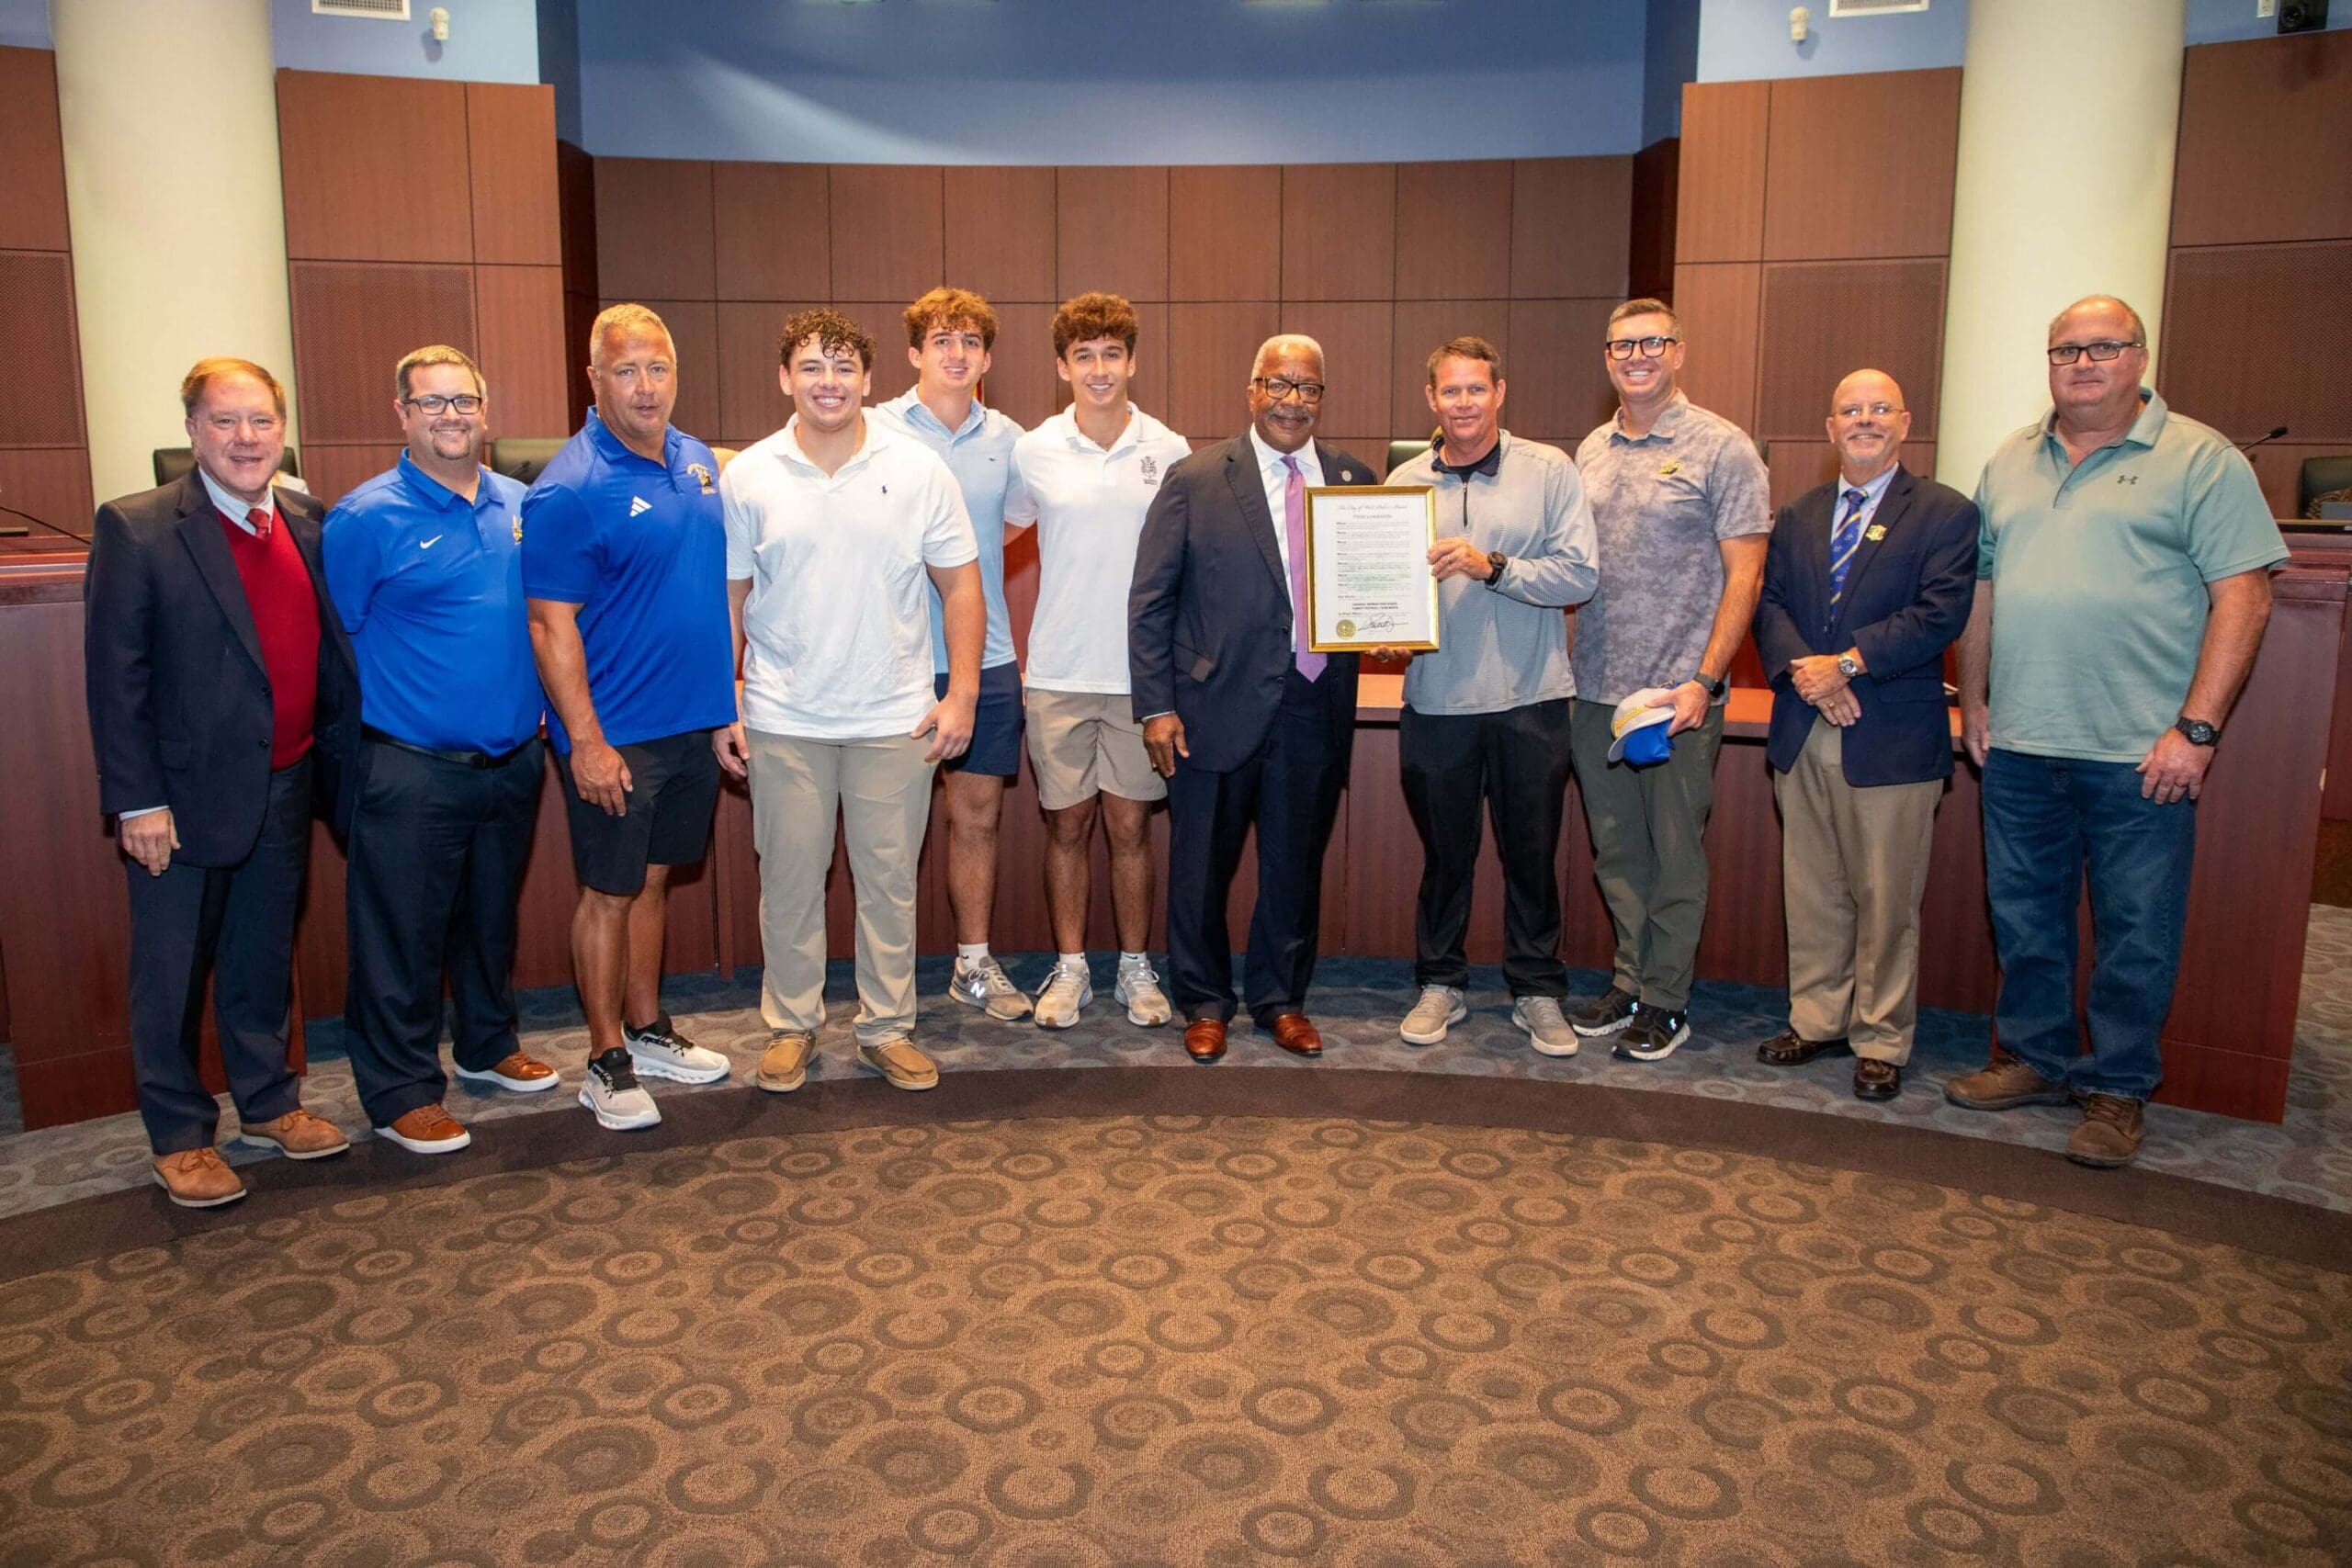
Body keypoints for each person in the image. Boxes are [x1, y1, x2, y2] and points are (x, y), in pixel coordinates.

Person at [1948, 296, 2284, 1167]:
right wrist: (1974, 699)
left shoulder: (2200, 458)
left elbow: (2245, 596)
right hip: (2021, 742)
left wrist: (2196, 730)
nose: (2083, 363)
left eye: (2104, 347)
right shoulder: (2011, 459)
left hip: (2142, 751)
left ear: (2140, 357)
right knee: (2025, 914)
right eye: (2066, 350)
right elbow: (1983, 589)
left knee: (2136, 927)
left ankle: (2120, 1086)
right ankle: (2035, 1057)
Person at [84, 357, 356, 1206]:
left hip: (285, 780)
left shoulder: (309, 521)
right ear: (192, 432)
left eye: (261, 421)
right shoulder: (138, 528)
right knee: (171, 972)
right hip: (180, 797)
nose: (246, 438)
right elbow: (116, 678)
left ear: (283, 430)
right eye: (225, 421)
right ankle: (178, 1135)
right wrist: (137, 800)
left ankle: (268, 1102)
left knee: (260, 956)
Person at [715, 308, 983, 1094]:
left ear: (868, 379)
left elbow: (962, 586)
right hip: (782, 717)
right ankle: (791, 1026)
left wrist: (962, 694)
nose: (827, 382)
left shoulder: (919, 468)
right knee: (789, 883)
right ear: (784, 378)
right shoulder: (750, 475)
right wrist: (725, 696)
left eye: (842, 368)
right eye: (810, 366)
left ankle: (886, 1027)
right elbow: (730, 596)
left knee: (890, 885)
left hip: (894, 717)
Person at [323, 345, 554, 1156]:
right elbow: (335, 650)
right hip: (410, 767)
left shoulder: (523, 504)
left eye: (464, 401)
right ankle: (399, 1091)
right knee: (400, 938)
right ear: (402, 414)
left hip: (512, 761)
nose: (450, 416)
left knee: (489, 921)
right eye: (432, 402)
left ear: (485, 412)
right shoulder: (364, 519)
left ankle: (487, 1044)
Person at [1129, 334, 1376, 1064]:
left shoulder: (1355, 481)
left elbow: (1368, 590)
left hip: (1313, 702)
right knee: (1201, 866)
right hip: (1213, 706)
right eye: (1278, 384)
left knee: (1294, 865)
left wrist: (1387, 623)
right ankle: (1204, 1001)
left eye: (1308, 387)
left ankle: (1281, 999)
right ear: (1252, 391)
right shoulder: (1196, 477)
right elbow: (1150, 601)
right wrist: (1156, 706)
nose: (1292, 401)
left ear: (1322, 398)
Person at [523, 305, 737, 1131]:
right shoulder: (570, 489)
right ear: (594, 379)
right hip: (615, 734)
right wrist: (585, 740)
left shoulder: (696, 461)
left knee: (653, 878)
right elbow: (550, 626)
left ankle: (647, 1029)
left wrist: (722, 708)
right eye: (626, 371)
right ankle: (605, 1057)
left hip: (689, 725)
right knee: (608, 891)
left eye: (658, 368)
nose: (645, 387)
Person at [1751, 369, 1977, 1100]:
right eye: (1850, 409)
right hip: (1804, 726)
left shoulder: (1945, 513)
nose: (1865, 420)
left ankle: (1881, 1036)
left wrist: (1846, 665)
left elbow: (1940, 613)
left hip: (1891, 736)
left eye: (1880, 408)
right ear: (1831, 428)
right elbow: (1770, 606)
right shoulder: (1800, 514)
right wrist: (1810, 675)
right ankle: (1816, 1018)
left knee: (1886, 897)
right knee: (1812, 887)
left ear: (1905, 422)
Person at [1568, 299, 1771, 1063]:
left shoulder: (1723, 447)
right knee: (1617, 852)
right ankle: (1629, 979)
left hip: (1675, 696)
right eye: (1622, 345)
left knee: (1676, 854)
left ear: (1679, 351)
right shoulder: (1591, 448)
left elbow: (1745, 575)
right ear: (1607, 357)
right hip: (1596, 688)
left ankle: (1667, 997)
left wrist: (1704, 680)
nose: (1637, 355)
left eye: (1653, 342)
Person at [1386, 337, 1598, 1055]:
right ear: (1431, 399)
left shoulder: (1550, 470)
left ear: (1500, 393)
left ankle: (1537, 990)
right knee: (1445, 858)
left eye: (1477, 389)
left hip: (1530, 699)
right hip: (1437, 700)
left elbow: (1580, 575)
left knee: (1531, 855)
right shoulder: (1402, 483)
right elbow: (1381, 588)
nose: (1464, 403)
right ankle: (1440, 982)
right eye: (1451, 390)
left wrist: (1494, 566)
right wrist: (1378, 629)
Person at [1009, 293, 1190, 1030]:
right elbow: (992, 537)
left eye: (1112, 353)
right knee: (1066, 828)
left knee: (1130, 828)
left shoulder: (1170, 450)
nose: (1099, 368)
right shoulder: (1034, 450)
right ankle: (1072, 966)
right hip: (1057, 672)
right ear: (1062, 366)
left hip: (1139, 678)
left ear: (1132, 360)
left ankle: (1136, 968)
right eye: (1083, 355)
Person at [869, 288, 1034, 1022]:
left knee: (977, 817)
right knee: (886, 831)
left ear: (987, 358)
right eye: (941, 339)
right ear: (914, 353)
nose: (957, 353)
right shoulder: (873, 429)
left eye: (970, 341)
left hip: (986, 658)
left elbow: (1007, 527)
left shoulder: (1011, 441)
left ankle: (972, 964)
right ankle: (885, 980)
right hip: (893, 657)